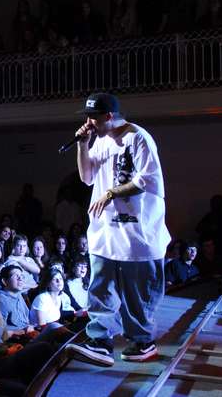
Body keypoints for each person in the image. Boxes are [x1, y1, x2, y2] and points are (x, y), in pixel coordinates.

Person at [68, 92, 169, 366]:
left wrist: (111, 193)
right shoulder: (98, 139)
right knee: (101, 289)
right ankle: (100, 342)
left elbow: (146, 180)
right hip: (105, 232)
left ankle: (143, 342)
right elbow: (87, 178)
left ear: (109, 116)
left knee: (138, 294)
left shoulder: (137, 137)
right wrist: (83, 144)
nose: (89, 122)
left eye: (93, 117)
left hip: (137, 234)